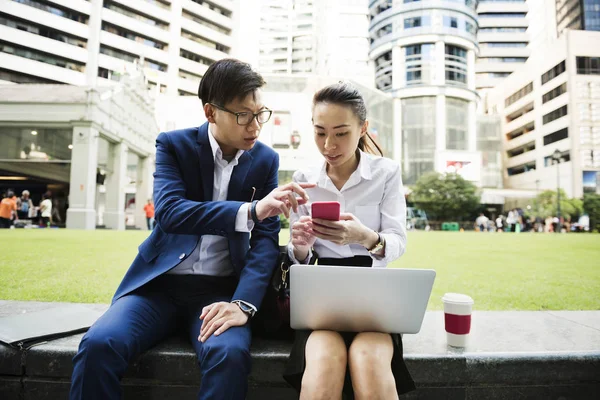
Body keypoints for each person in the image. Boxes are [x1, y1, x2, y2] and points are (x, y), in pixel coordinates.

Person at [69, 58, 314, 400]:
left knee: (228, 355)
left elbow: (264, 243)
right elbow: (170, 212)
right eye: (243, 115)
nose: (255, 125)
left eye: (260, 113)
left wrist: (242, 304)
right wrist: (249, 211)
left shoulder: (265, 160)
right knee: (98, 344)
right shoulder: (173, 145)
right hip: (157, 288)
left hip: (220, 293)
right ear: (211, 112)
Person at [282, 82, 416, 399]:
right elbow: (299, 256)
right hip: (321, 297)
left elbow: (397, 241)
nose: (329, 144)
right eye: (320, 132)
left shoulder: (386, 173)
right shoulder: (304, 179)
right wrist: (299, 244)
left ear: (363, 128)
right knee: (324, 359)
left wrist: (365, 236)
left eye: (341, 133)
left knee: (369, 359)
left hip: (373, 295)